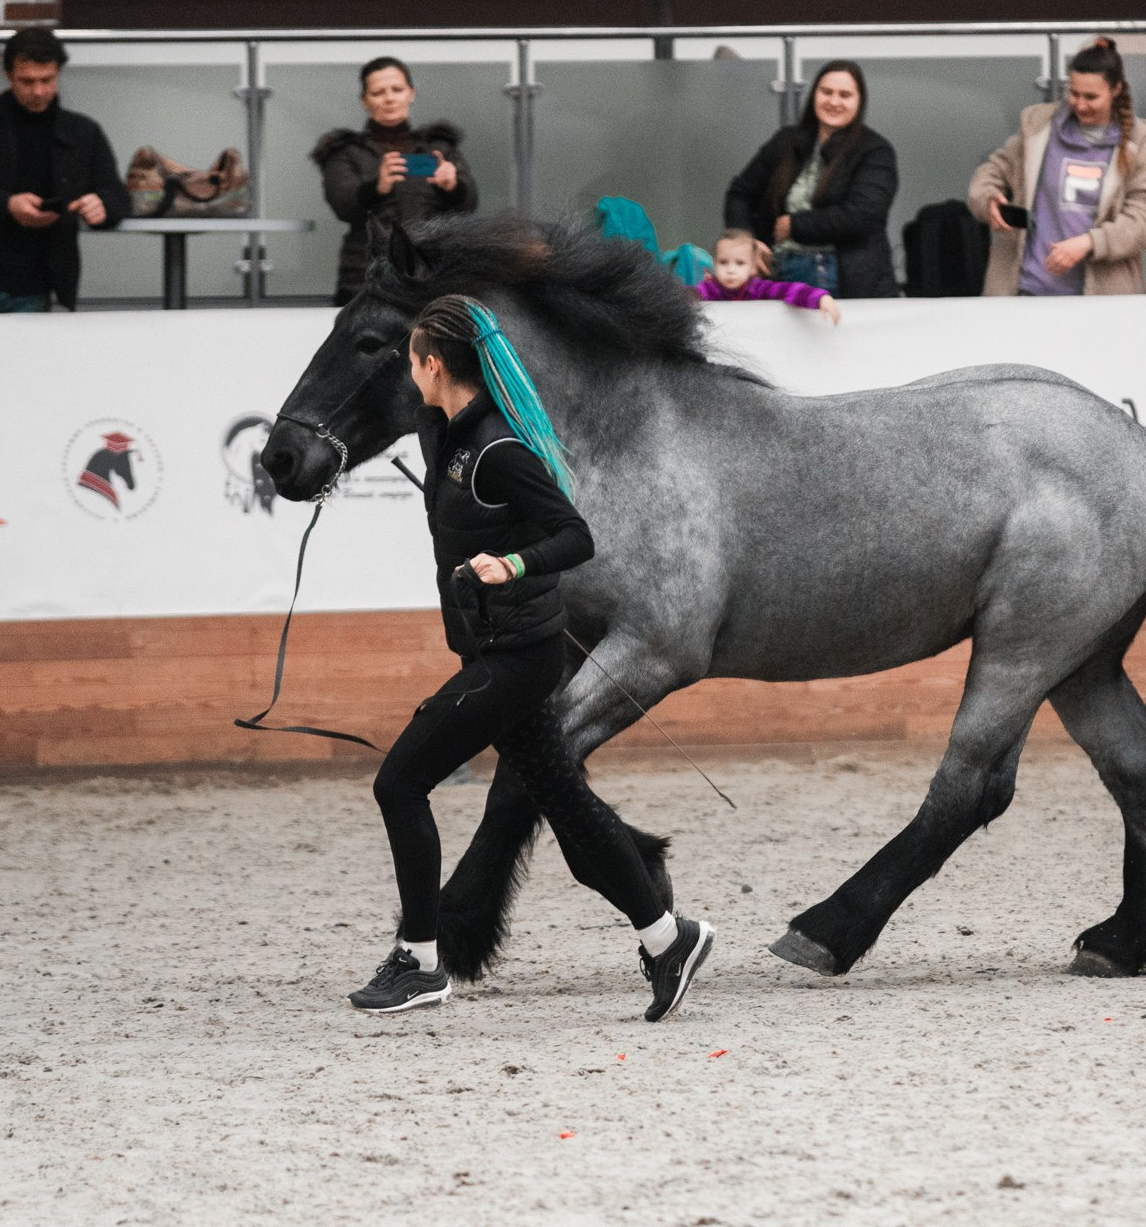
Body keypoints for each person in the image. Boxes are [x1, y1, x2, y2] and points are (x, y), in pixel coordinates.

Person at [350, 295, 715, 1021]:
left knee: (400, 783)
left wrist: (511, 564)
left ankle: (420, 961)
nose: (406, 376)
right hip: (496, 651)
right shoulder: (449, 432)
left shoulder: (497, 448)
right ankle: (669, 938)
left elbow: (573, 535)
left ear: (432, 364)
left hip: (515, 662)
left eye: (411, 361)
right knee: (572, 812)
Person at [0, 28, 127, 314]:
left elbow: (117, 194)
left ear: (58, 73)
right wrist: (7, 204)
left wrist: (102, 205)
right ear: (8, 76)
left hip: (35, 284)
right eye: (27, 81)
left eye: (47, 80)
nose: (39, 91)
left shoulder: (82, 132)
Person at [965, 37, 1146, 297]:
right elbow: (992, 171)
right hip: (1026, 289)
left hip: (1100, 300)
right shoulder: (1038, 127)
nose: (1080, 105)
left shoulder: (1140, 144)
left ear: (1116, 89)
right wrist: (988, 200)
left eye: (1091, 97)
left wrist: (1090, 242)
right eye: (1073, 93)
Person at [724, 60, 899, 298]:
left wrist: (794, 225)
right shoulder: (787, 140)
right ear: (813, 94)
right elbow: (740, 193)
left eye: (845, 95)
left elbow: (862, 215)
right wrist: (746, 242)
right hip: (778, 271)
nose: (834, 101)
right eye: (826, 92)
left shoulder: (875, 151)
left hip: (845, 278)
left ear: (859, 102)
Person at [312, 56, 479, 306]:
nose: (389, 98)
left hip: (434, 272)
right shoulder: (345, 152)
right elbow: (343, 206)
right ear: (364, 101)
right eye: (378, 92)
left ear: (411, 93)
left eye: (397, 90)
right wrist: (376, 188)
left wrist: (452, 187)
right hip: (366, 276)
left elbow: (469, 205)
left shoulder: (439, 147)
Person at [696, 228, 842, 322]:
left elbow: (790, 290)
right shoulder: (709, 289)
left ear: (753, 267)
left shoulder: (759, 288)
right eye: (723, 262)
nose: (731, 270)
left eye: (740, 263)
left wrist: (820, 298)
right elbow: (685, 296)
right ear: (714, 264)